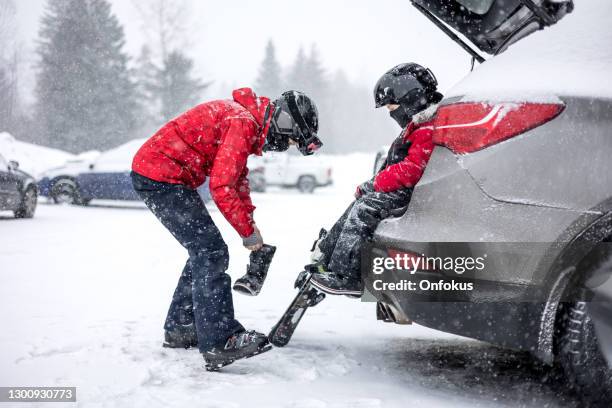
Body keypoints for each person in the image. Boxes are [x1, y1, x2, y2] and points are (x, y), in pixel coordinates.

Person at [130, 88, 322, 370]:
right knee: (210, 250)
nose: (284, 146)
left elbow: (237, 183)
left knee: (203, 249)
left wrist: (252, 233)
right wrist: (247, 234)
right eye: (291, 140)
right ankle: (221, 340)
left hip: (163, 175)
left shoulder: (246, 122)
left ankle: (182, 327)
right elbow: (222, 187)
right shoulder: (242, 122)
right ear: (284, 124)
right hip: (159, 176)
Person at [308, 63, 443, 296]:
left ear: (410, 99)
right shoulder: (418, 125)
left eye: (393, 107)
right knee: (357, 206)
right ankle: (326, 257)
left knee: (365, 209)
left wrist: (375, 184)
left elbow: (412, 170)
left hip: (413, 193)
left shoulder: (427, 129)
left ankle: (347, 276)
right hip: (403, 190)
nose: (392, 114)